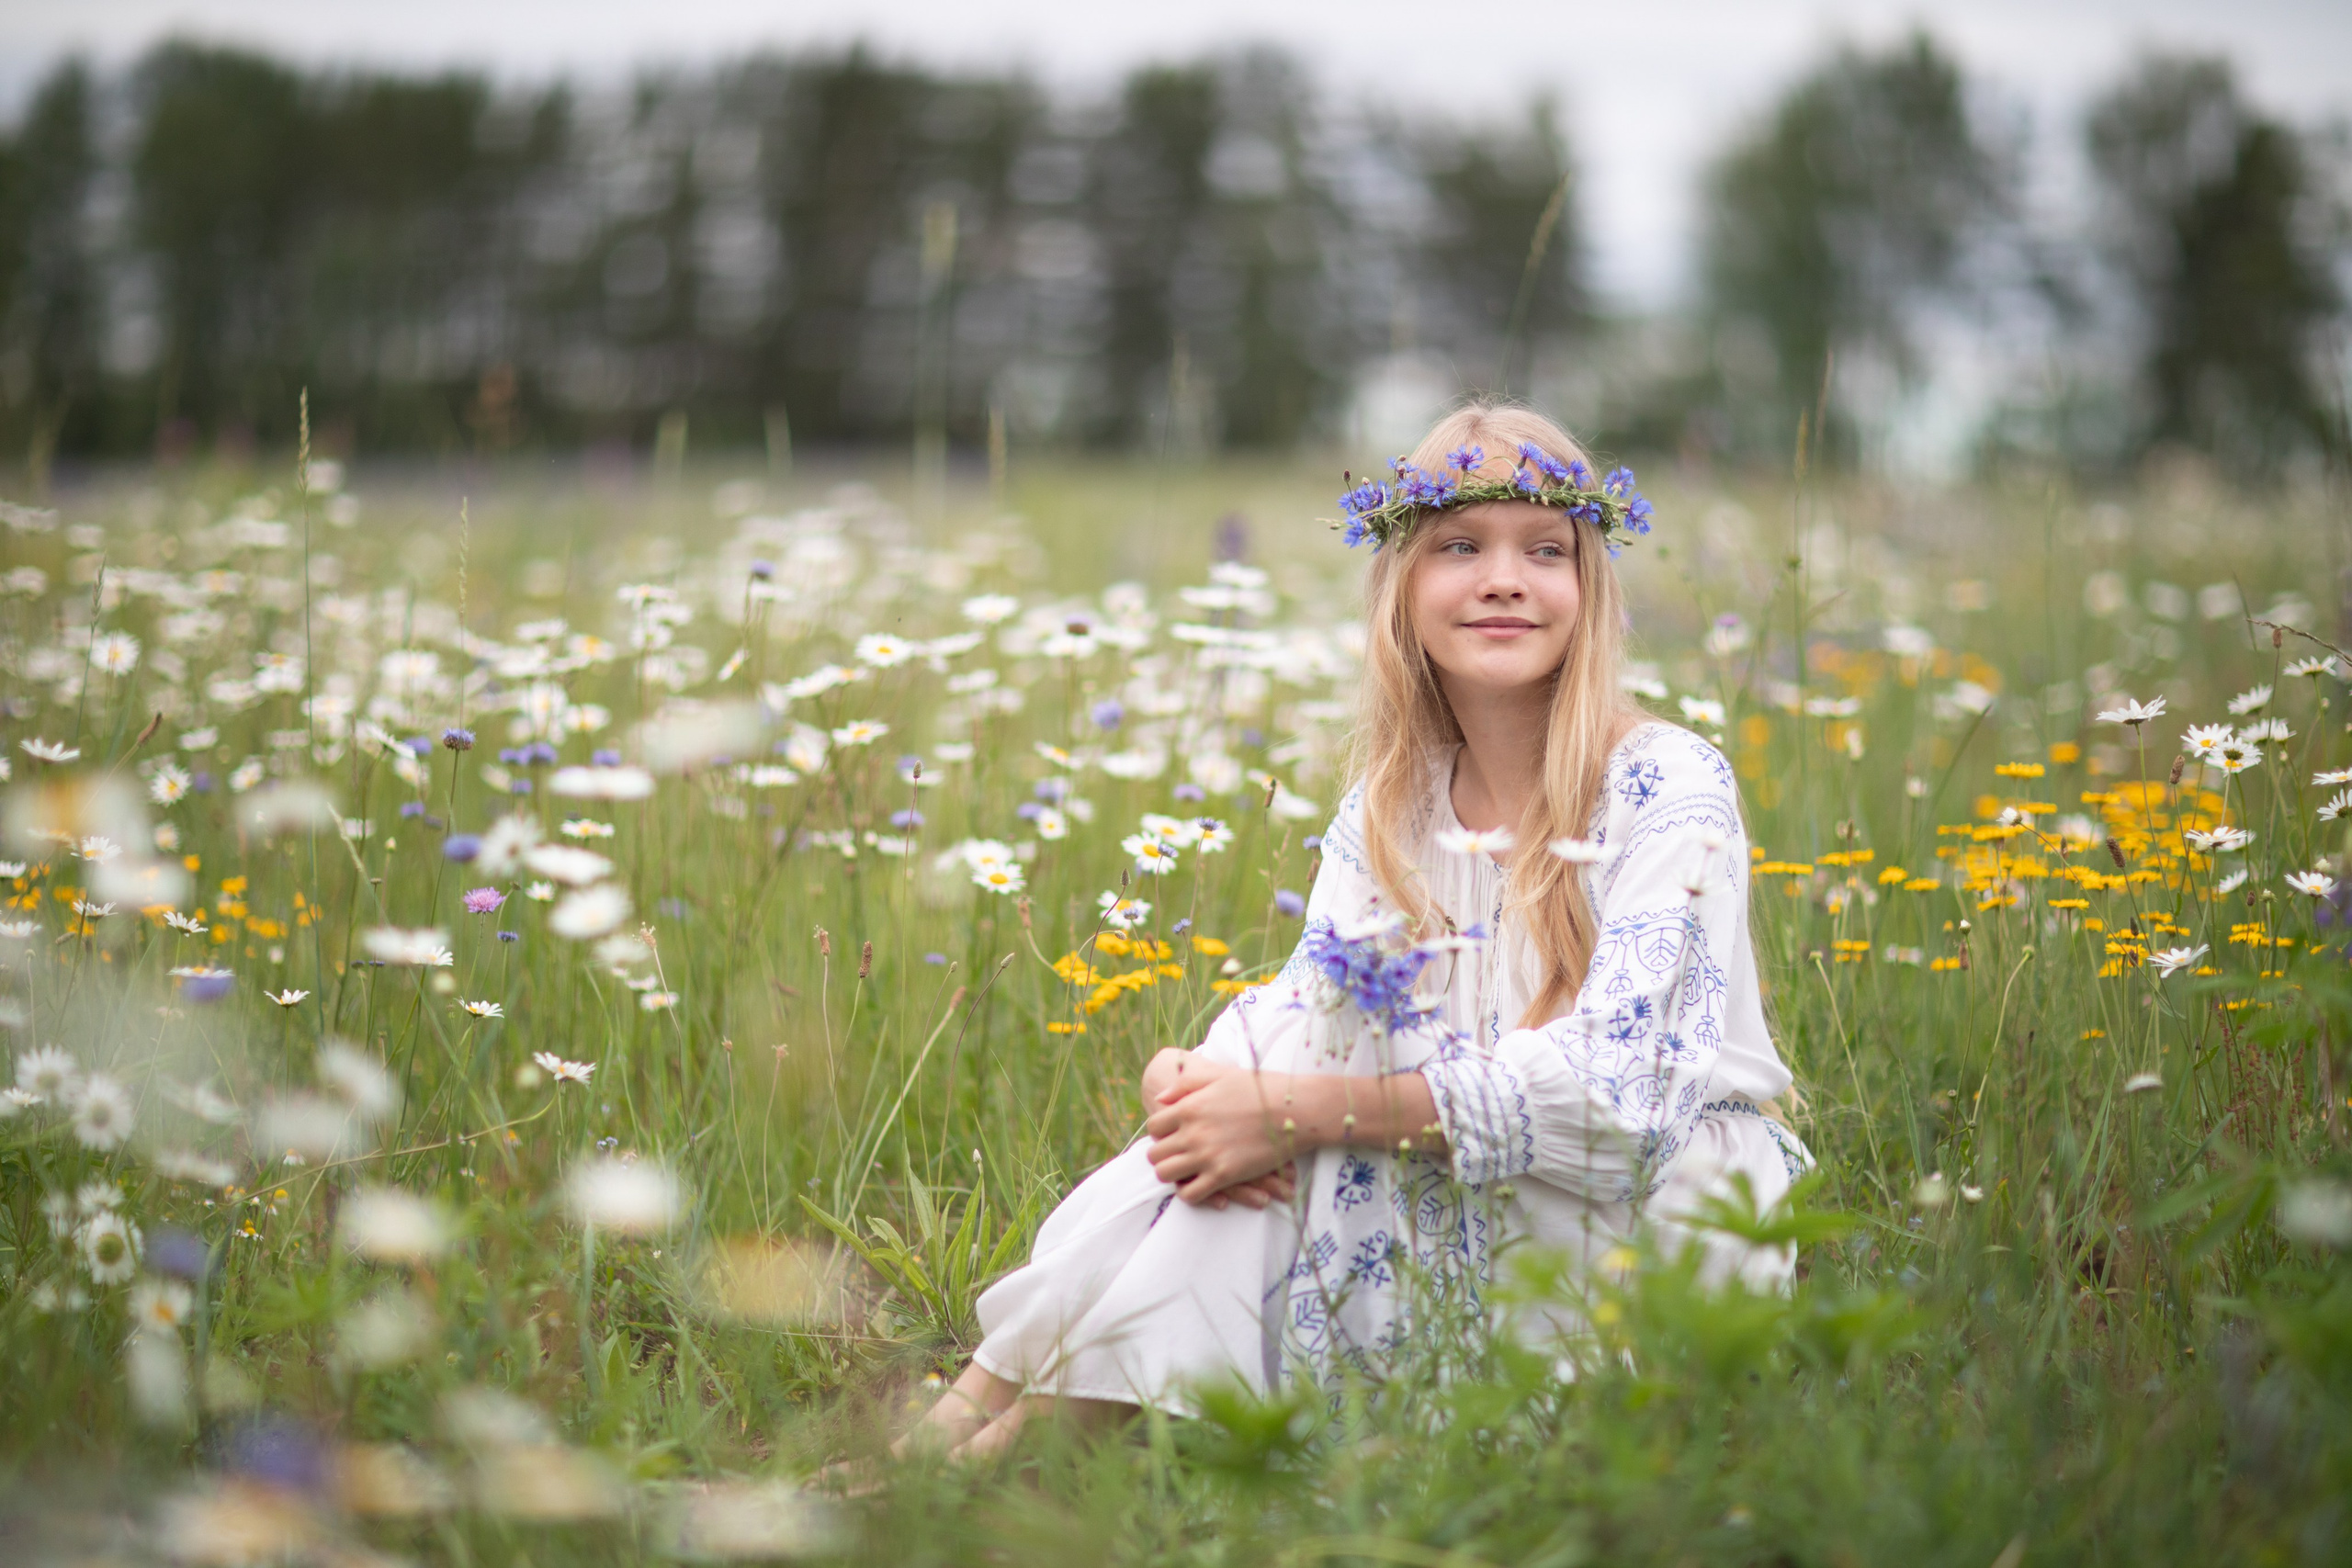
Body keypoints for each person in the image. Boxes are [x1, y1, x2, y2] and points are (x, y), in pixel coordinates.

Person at [910, 403, 1811, 1460]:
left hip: (1650, 1210)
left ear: (1589, 586)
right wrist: (1195, 1080)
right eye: (1460, 547)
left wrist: (1291, 1110)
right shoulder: (1396, 800)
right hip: (1456, 1160)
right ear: (1401, 588)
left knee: (1296, 1117)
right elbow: (1313, 1008)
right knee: (1263, 1090)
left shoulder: (1664, 783)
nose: (1505, 579)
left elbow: (1621, 1104)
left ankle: (995, 1443)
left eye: (1546, 551)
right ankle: (972, 1429)